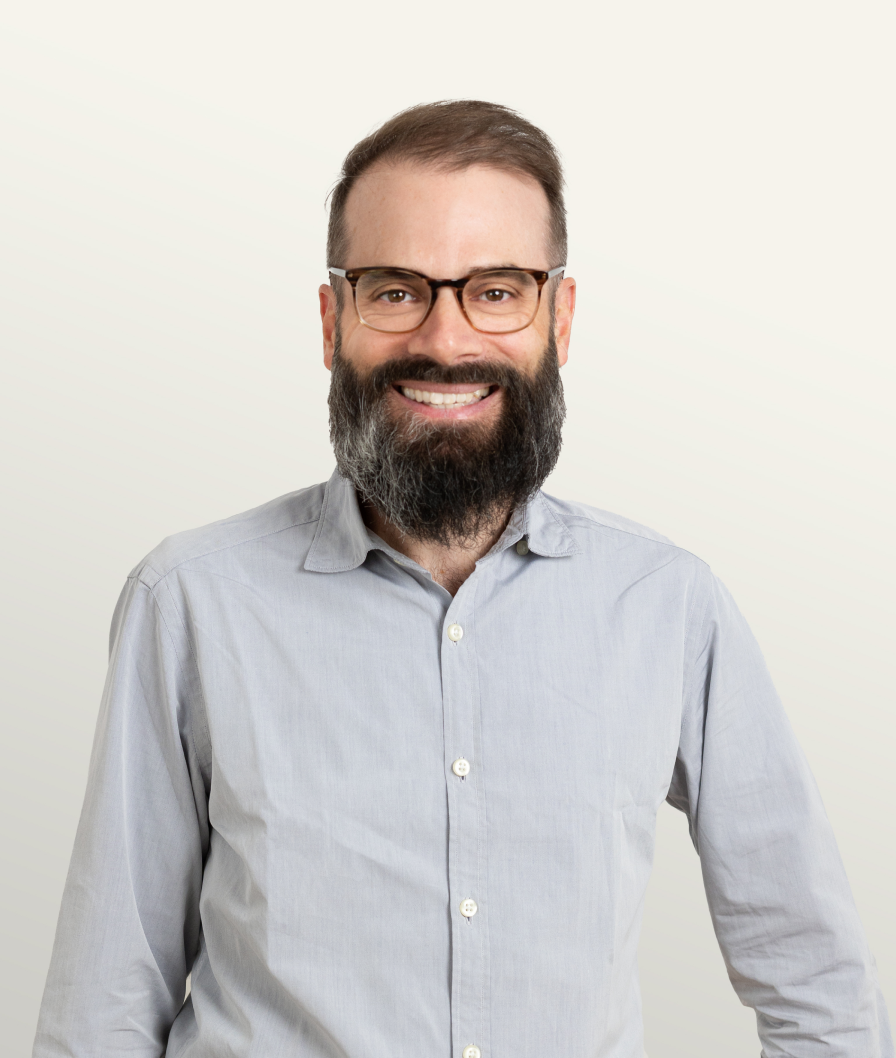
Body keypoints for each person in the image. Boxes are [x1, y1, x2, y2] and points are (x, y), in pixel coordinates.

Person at [33, 100, 891, 1058]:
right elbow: (104, 1004)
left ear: (558, 318)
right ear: (333, 320)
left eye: (496, 289)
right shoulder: (189, 601)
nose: (446, 340)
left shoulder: (669, 606)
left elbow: (818, 989)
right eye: (397, 290)